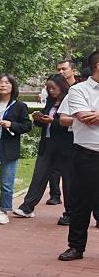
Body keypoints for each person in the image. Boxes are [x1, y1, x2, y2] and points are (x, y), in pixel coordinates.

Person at [57, 50, 99, 261]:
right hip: (87, 154)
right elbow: (83, 117)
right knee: (81, 202)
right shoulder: (78, 90)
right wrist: (90, 116)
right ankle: (76, 246)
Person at [13, 74, 73, 218]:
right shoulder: (50, 102)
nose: (51, 91)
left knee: (68, 180)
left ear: (61, 86)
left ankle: (70, 212)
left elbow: (70, 124)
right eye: (48, 88)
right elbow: (45, 122)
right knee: (39, 175)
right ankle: (27, 207)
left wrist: (53, 121)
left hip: (65, 145)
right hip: (47, 144)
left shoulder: (70, 100)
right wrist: (39, 119)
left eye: (53, 88)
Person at [0, 74, 31, 224]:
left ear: (12, 86)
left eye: (7, 83)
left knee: (6, 182)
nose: (3, 85)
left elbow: (27, 125)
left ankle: (4, 211)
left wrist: (11, 124)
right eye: (0, 82)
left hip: (9, 147)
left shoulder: (19, 106)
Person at [47, 59, 79, 205]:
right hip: (61, 141)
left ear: (73, 70)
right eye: (58, 69)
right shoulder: (61, 95)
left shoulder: (80, 89)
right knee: (65, 175)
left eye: (64, 69)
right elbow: (62, 119)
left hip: (82, 141)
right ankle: (67, 208)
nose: (61, 72)